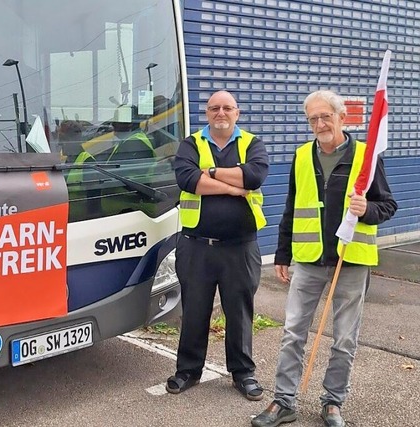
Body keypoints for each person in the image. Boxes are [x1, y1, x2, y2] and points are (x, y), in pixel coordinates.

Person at [251, 90, 397, 427]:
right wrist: (283, 253)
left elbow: (388, 205)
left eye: (325, 116)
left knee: (344, 338)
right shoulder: (302, 156)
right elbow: (292, 206)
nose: (319, 123)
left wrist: (367, 209)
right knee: (292, 333)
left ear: (341, 117)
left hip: (351, 260)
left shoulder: (366, 155)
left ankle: (333, 402)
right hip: (308, 260)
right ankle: (284, 402)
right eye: (313, 118)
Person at [167, 90, 269, 400]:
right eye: (214, 108)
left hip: (240, 247)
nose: (220, 113)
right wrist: (230, 185)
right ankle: (188, 370)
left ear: (237, 113)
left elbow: (253, 176)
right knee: (195, 310)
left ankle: (242, 373)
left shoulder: (252, 143)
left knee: (239, 312)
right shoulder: (191, 143)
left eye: (227, 108)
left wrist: (210, 173)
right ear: (207, 113)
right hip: (196, 245)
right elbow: (187, 179)